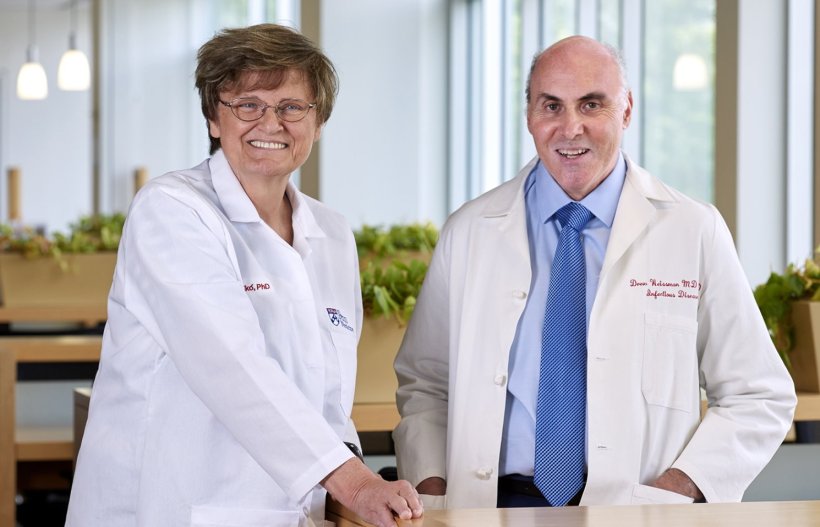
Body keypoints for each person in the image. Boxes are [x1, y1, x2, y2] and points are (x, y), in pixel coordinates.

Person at [393, 35, 796, 509]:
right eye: (551, 106)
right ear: (529, 116)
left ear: (626, 111)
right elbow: (425, 383)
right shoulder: (470, 231)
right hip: (490, 507)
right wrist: (434, 486)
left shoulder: (692, 229)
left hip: (636, 510)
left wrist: (678, 489)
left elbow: (759, 394)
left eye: (592, 104)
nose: (571, 127)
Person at [66, 24, 422, 527]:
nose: (270, 123)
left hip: (293, 510)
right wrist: (354, 482)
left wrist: (351, 487)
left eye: (292, 107)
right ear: (214, 117)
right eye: (247, 105)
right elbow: (231, 367)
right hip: (169, 505)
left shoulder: (331, 233)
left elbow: (330, 392)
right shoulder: (171, 211)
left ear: (317, 122)